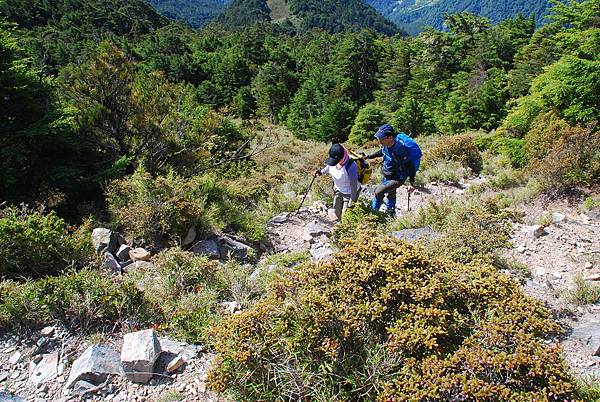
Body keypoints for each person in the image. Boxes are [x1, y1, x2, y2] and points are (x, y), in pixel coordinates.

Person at [364, 124, 416, 215]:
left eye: (381, 138)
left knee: (378, 192)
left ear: (390, 137)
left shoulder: (399, 149)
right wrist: (369, 156)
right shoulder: (386, 145)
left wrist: (411, 183)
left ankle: (373, 213)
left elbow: (410, 165)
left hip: (397, 178)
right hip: (387, 175)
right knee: (391, 194)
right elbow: (382, 152)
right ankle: (391, 213)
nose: (379, 141)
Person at [315, 144, 360, 221]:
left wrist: (351, 202)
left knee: (346, 216)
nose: (333, 162)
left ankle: (346, 229)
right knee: (336, 211)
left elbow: (354, 186)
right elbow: (329, 167)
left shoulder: (350, 166)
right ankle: (341, 224)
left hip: (349, 193)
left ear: (341, 157)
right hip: (338, 190)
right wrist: (320, 172)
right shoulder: (334, 159)